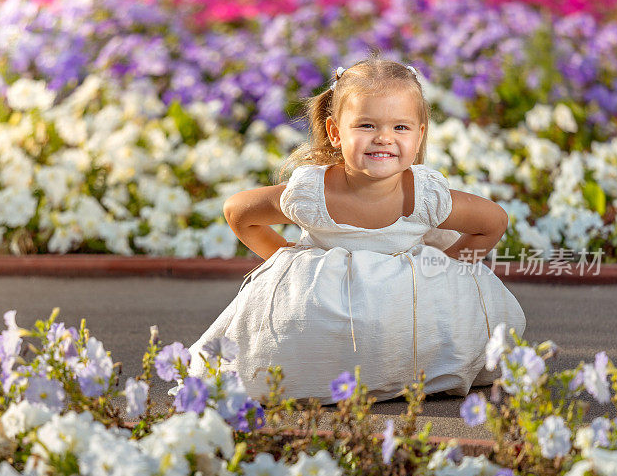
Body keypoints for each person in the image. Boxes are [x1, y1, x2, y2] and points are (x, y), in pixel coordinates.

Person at [186, 54, 526, 404]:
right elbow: (238, 211)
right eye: (366, 126)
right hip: (326, 311)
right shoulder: (312, 193)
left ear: (419, 134)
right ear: (335, 132)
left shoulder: (423, 195)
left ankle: (410, 373)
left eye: (400, 127)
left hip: (405, 310)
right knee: (276, 349)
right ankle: (318, 379)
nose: (384, 138)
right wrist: (284, 259)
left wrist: (447, 264)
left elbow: (493, 222)